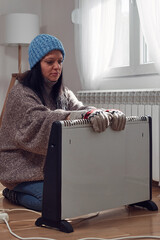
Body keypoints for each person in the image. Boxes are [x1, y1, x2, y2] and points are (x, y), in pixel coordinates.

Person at [0, 34, 126, 212]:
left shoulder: (62, 91)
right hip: (21, 169)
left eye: (60, 61)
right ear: (37, 64)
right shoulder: (20, 93)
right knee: (55, 203)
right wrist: (70, 116)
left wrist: (102, 112)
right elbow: (40, 120)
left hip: (48, 167)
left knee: (84, 193)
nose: (57, 67)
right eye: (50, 62)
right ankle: (12, 193)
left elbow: (80, 108)